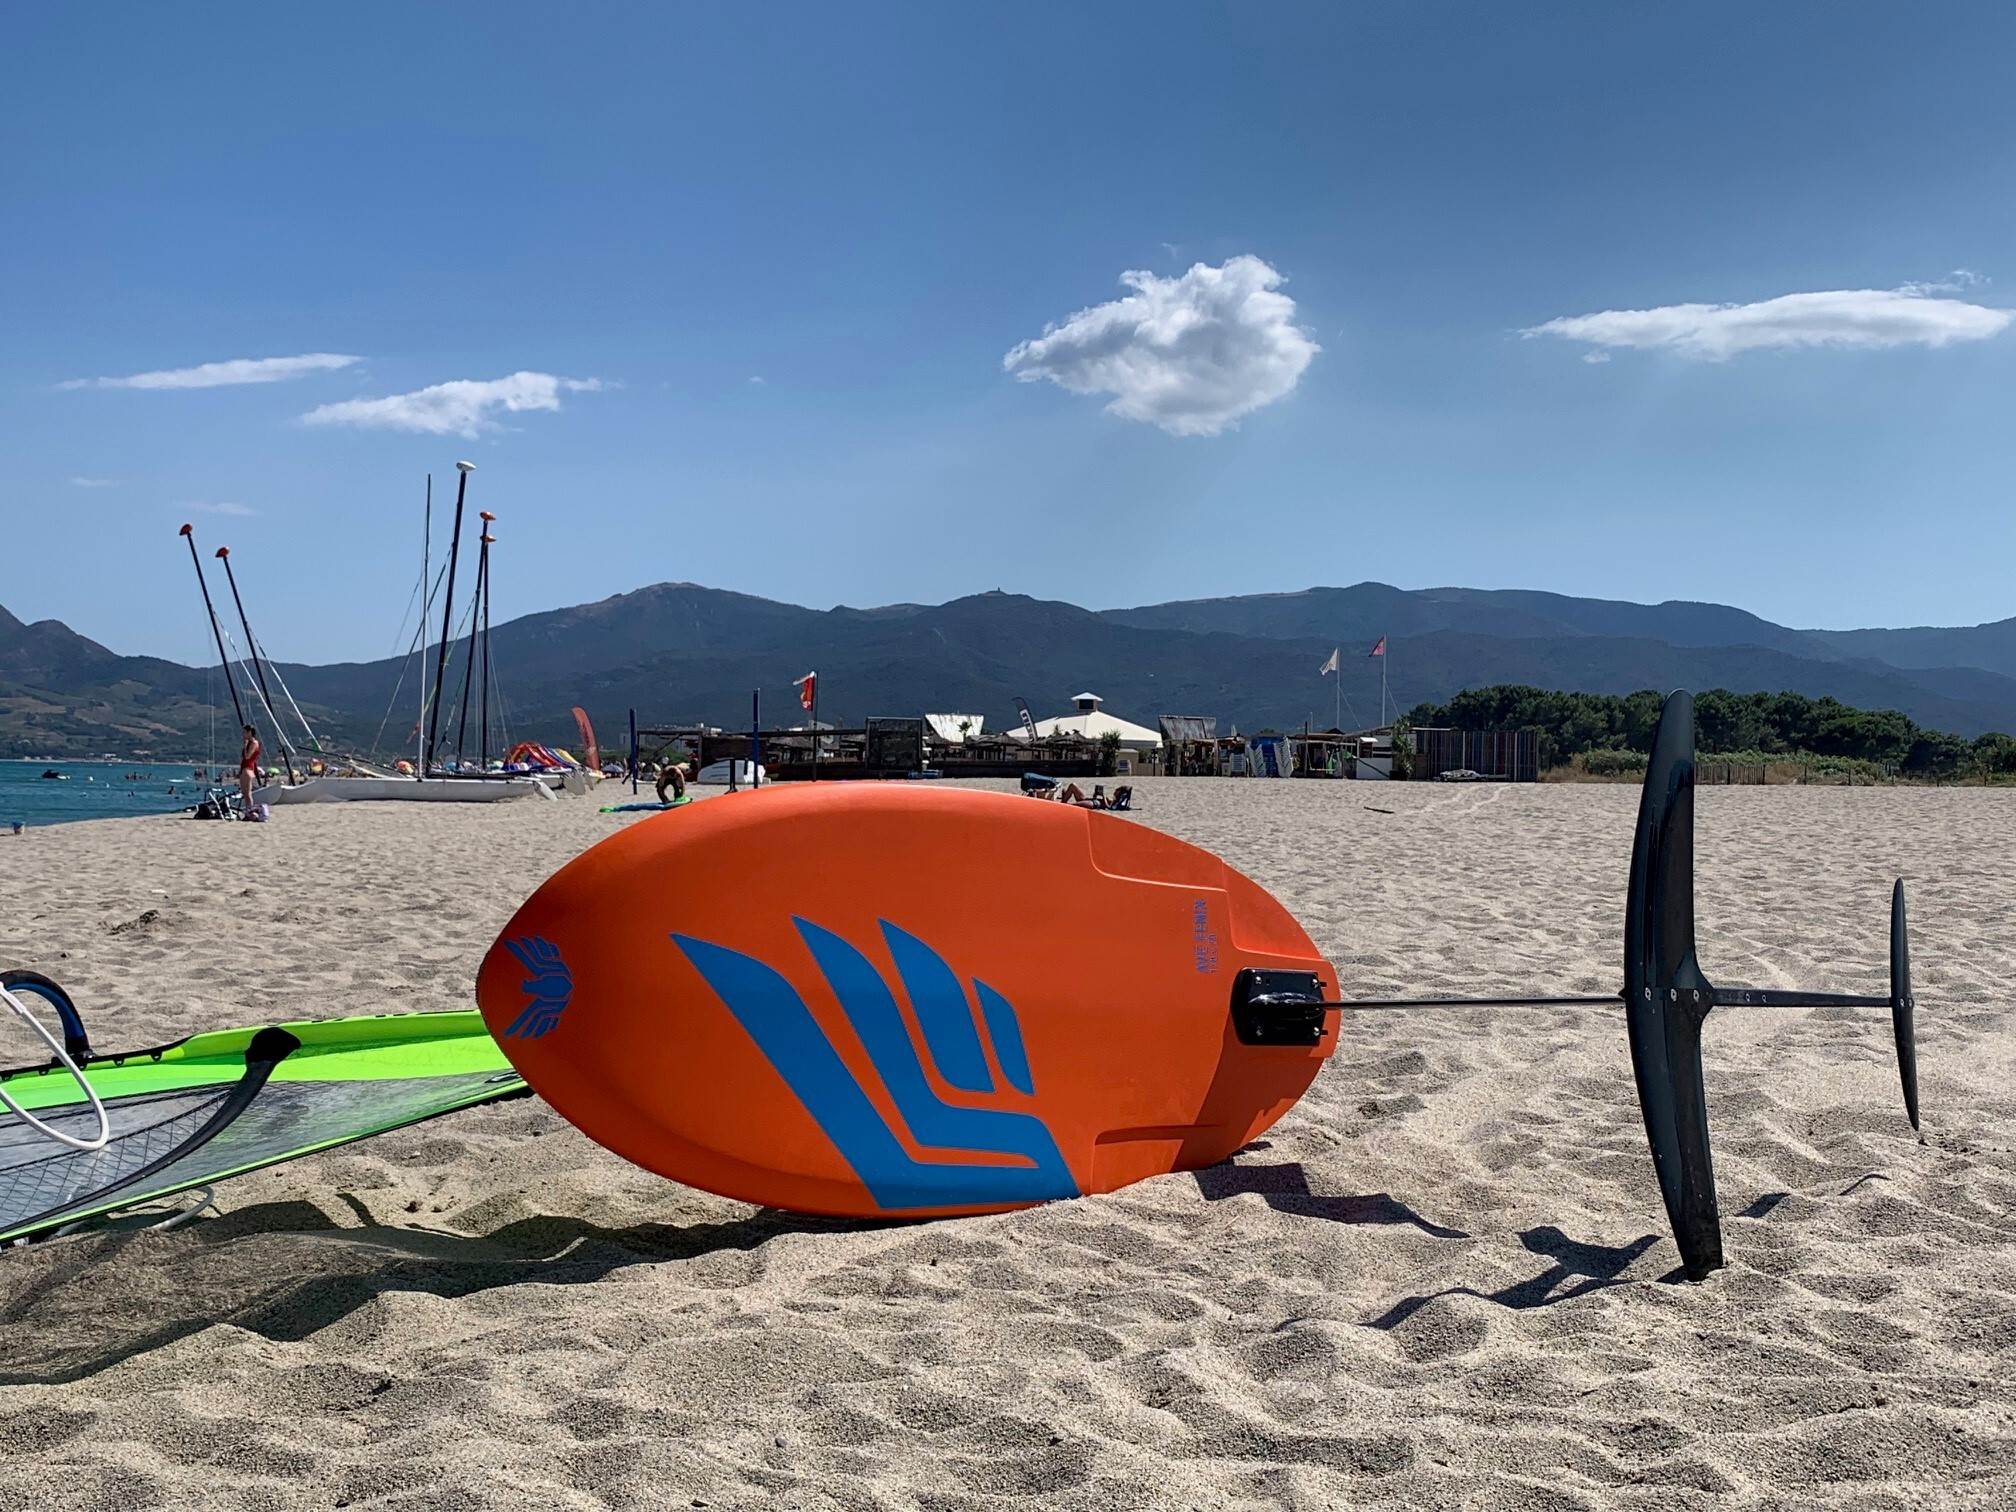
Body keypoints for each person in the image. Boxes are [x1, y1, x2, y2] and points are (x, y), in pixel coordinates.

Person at [238, 724, 261, 817]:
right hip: (244, 767)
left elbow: (248, 756)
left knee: (248, 793)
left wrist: (245, 745)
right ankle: (248, 811)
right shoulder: (249, 743)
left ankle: (251, 812)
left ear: (249, 733)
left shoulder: (254, 743)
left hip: (248, 768)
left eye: (244, 732)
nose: (243, 734)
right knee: (244, 793)